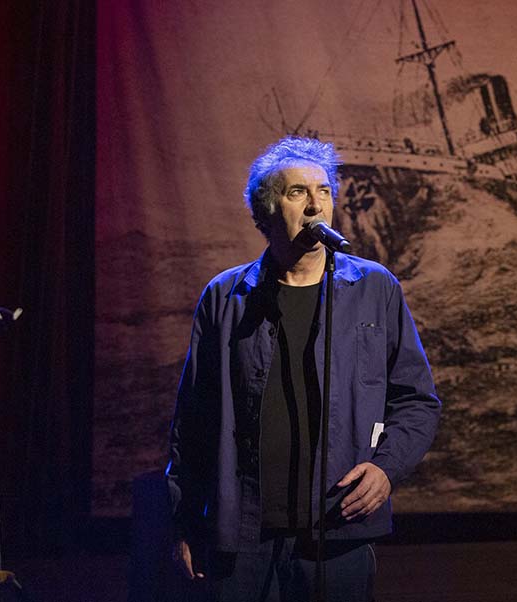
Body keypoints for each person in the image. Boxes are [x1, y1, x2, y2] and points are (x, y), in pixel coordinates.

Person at [166, 136, 441, 601]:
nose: (316, 204)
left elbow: (417, 400)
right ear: (266, 210)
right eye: (298, 193)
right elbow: (192, 421)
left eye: (325, 191)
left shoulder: (374, 288)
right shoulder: (225, 297)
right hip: (243, 538)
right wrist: (186, 523)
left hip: (337, 531)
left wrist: (386, 468)